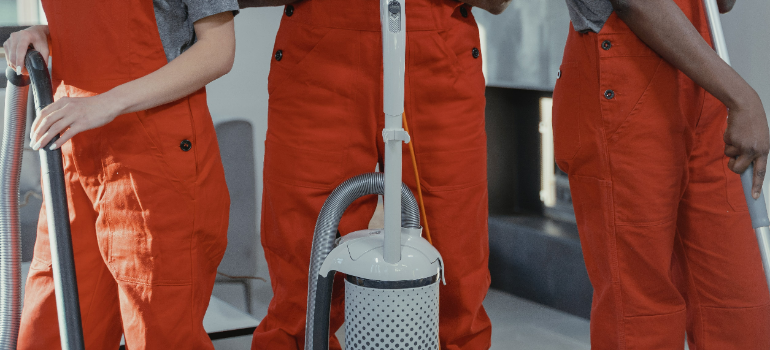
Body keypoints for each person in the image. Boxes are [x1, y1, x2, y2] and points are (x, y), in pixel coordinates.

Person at [236, 0, 509, 348]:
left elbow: (497, 3)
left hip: (436, 54)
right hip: (321, 53)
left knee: (455, 268)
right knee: (303, 278)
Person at [3, 0, 237, 348]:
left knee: (158, 334)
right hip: (76, 157)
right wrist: (48, 34)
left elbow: (218, 50)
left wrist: (108, 103)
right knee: (49, 330)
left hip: (155, 165)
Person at [554, 0, 770, 348]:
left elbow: (722, 4)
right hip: (624, 88)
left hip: (703, 90)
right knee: (642, 317)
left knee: (736, 305)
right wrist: (742, 97)